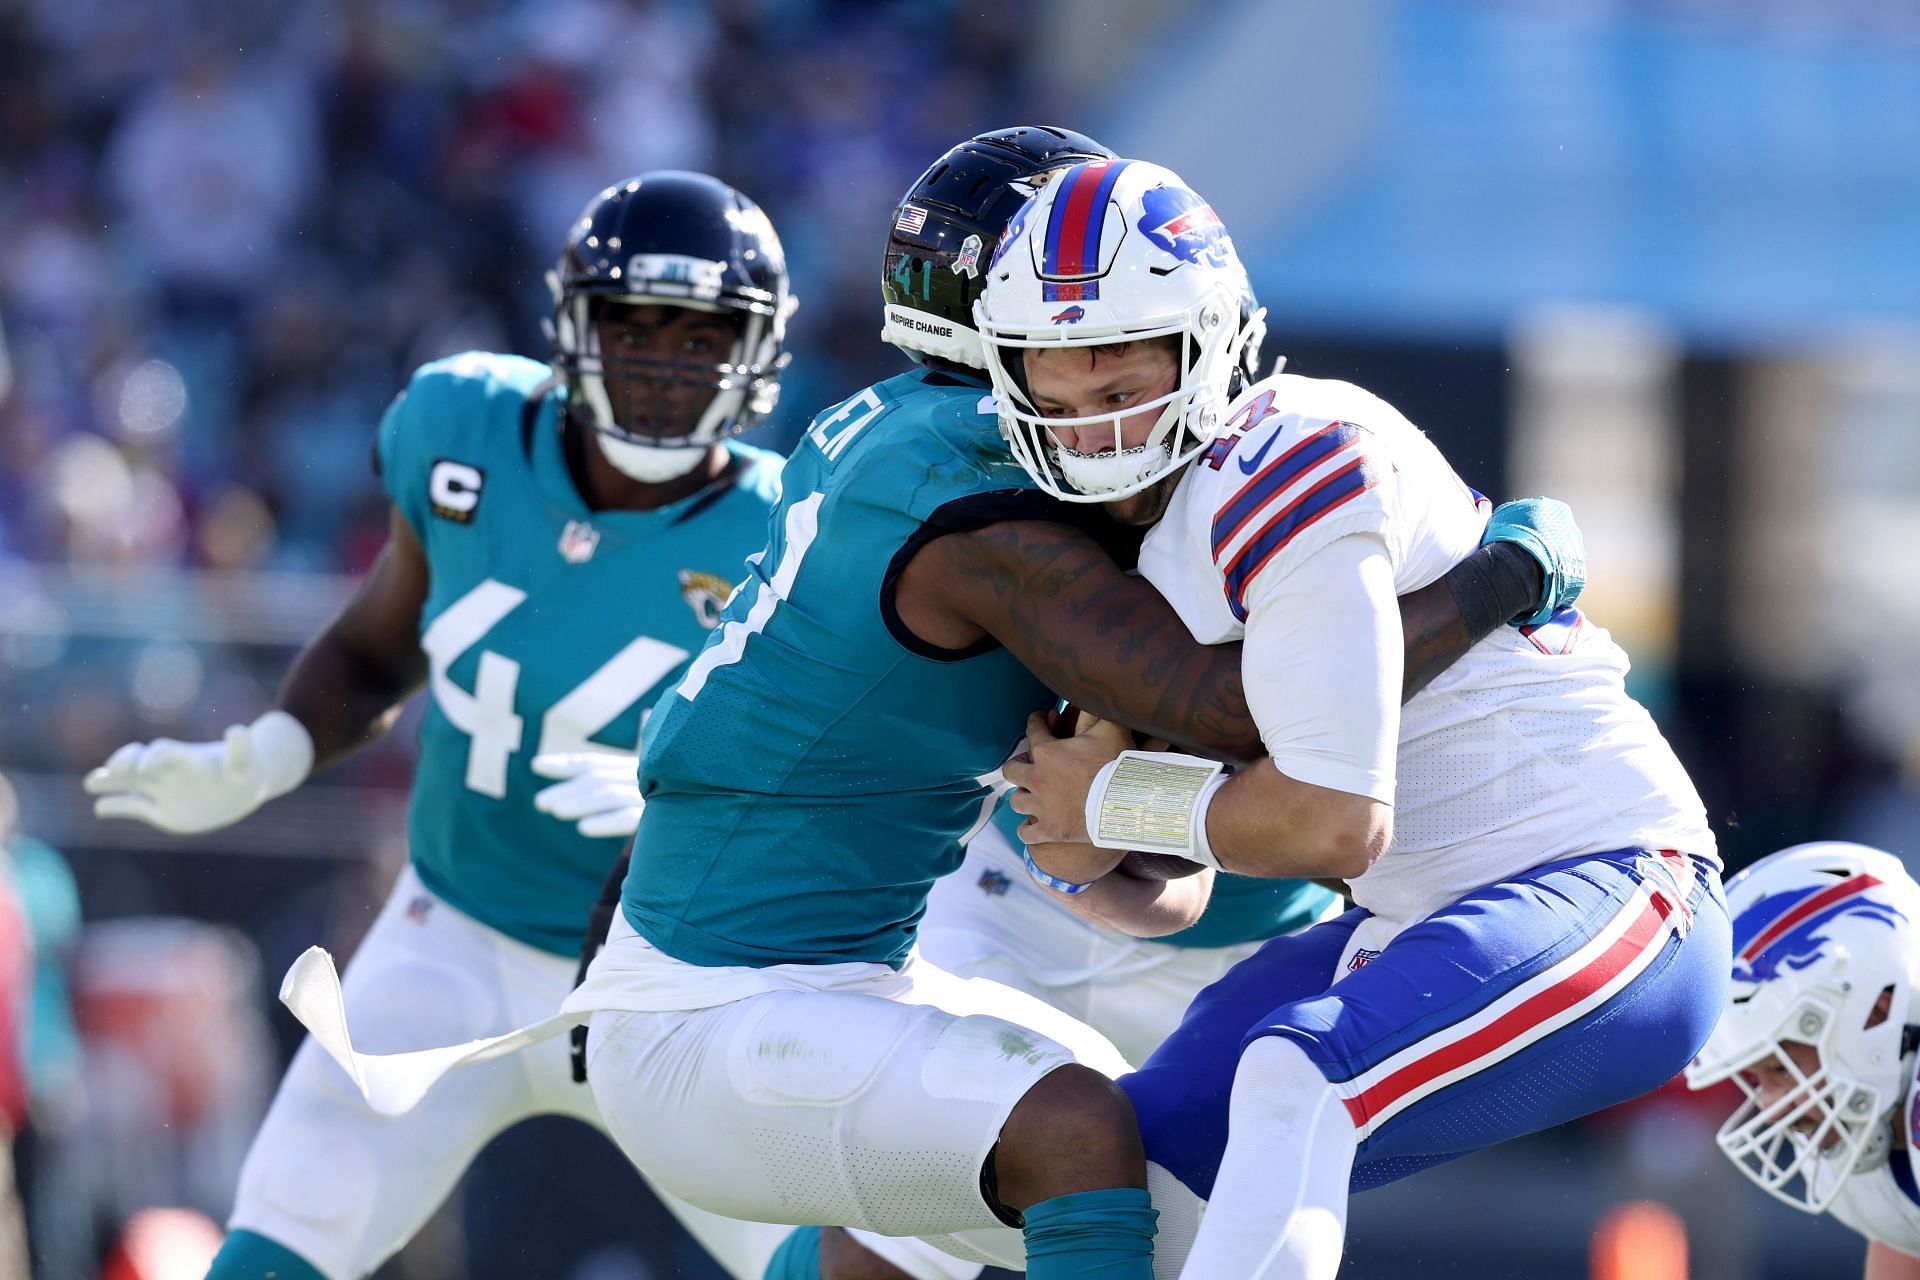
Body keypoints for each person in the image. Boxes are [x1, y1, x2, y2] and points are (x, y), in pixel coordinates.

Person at [559, 130, 1585, 1280]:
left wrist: (1130, 813)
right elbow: (1237, 713)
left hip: (796, 967)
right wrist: (1501, 579)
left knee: (1156, 1180)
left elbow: (1167, 866)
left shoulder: (925, 433)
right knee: (1075, 1134)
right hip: (734, 996)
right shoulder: (985, 496)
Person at [978, 157, 1729, 1279]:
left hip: (1609, 880)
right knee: (1117, 1153)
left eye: (1121, 380)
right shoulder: (1088, 534)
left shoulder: (1288, 448)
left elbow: (1334, 822)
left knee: (1298, 1072)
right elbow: (1175, 887)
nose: (1094, 432)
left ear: (1209, 344)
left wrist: (1118, 797)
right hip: (1407, 924)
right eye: (1060, 390)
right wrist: (1094, 849)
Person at [83, 172, 798, 1280]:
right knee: (276, 1245)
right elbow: (381, 641)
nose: (663, 363)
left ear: (755, 355)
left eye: (700, 336)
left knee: (852, 1260)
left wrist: (692, 810)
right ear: (571, 326)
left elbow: (852, 787)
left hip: (677, 979)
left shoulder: (789, 531)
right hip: (450, 940)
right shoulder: (460, 429)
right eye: (633, 326)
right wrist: (267, 752)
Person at [1687, 841, 1920, 1279]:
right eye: (1757, 1078)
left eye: (1779, 1069)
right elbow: (1903, 1242)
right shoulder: (1882, 1128)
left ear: (1877, 1011)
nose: (1771, 1106)